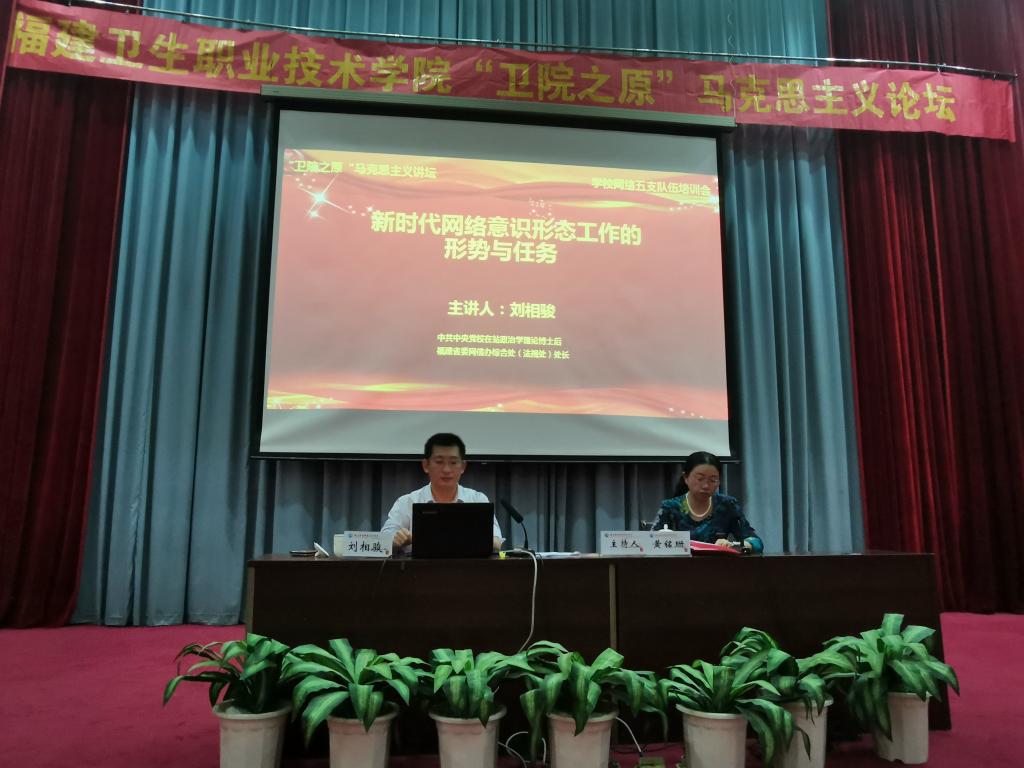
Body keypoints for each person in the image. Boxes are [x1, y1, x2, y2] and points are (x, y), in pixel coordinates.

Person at [381, 433, 503, 554]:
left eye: (453, 462)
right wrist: (396, 540)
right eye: (439, 462)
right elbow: (382, 543)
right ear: (426, 465)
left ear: (463, 466)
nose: (446, 470)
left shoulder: (477, 500)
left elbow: (496, 543)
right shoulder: (407, 502)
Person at [651, 451, 763, 553]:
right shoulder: (671, 507)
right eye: (700, 479)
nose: (706, 486)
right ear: (686, 478)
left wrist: (734, 545)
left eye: (713, 480)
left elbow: (756, 542)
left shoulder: (727, 505)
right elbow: (651, 544)